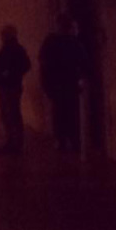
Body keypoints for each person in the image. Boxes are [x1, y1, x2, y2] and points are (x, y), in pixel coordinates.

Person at [38, 13, 87, 153]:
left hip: (60, 83)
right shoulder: (72, 42)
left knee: (61, 114)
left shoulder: (52, 41)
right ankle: (71, 140)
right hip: (67, 83)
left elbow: (43, 62)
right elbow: (83, 61)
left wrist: (46, 83)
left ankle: (63, 140)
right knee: (69, 113)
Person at [0, 25, 32, 154]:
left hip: (11, 85)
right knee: (7, 114)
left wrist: (11, 73)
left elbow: (25, 65)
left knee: (13, 113)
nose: (2, 37)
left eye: (4, 34)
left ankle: (16, 142)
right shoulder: (7, 49)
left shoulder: (16, 49)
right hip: (5, 85)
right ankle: (12, 140)